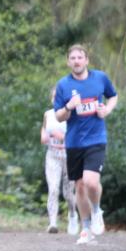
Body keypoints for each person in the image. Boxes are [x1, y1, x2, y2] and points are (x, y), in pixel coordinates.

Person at [53, 45, 117, 245]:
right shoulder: (63, 85)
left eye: (80, 57)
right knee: (79, 186)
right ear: (68, 62)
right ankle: (86, 228)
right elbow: (58, 115)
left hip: (96, 139)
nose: (76, 61)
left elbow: (113, 96)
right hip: (74, 142)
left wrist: (106, 110)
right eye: (72, 58)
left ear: (87, 60)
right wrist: (68, 107)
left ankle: (97, 210)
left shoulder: (100, 78)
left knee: (90, 181)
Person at [41, 87, 78, 235]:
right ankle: (53, 223)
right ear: (52, 99)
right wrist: (43, 136)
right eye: (55, 97)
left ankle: (73, 215)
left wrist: (63, 137)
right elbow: (44, 129)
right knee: (53, 189)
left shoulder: (72, 115)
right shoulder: (48, 114)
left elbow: (78, 136)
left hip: (69, 157)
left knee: (68, 194)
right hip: (52, 156)